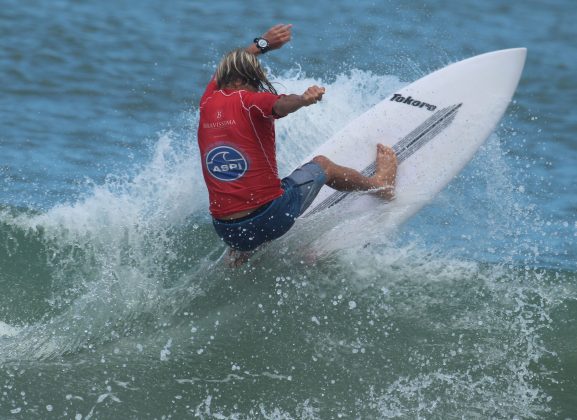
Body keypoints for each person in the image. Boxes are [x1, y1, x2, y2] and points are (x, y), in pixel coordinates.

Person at [197, 24, 397, 266]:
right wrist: (302, 99)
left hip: (228, 232)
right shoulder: (250, 101)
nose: (258, 88)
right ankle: (380, 185)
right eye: (255, 83)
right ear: (242, 81)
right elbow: (280, 105)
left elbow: (226, 68)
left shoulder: (208, 100)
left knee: (250, 196)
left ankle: (242, 253)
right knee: (323, 165)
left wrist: (263, 44)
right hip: (269, 218)